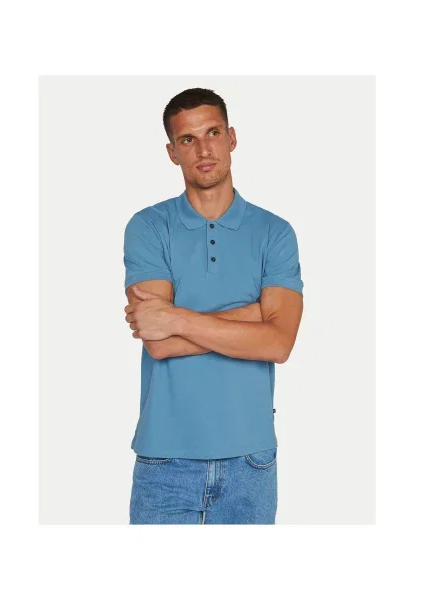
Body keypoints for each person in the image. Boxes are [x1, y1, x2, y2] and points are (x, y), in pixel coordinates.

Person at [123, 87, 304, 524]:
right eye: (188, 139)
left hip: (251, 460)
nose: (203, 150)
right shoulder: (148, 227)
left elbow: (279, 343)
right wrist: (255, 314)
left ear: (232, 138)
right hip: (164, 458)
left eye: (213, 133)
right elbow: (159, 343)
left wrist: (176, 317)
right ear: (172, 152)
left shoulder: (275, 232)